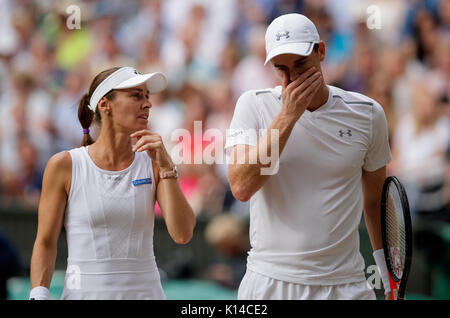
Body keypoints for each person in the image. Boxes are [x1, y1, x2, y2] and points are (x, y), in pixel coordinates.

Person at [226, 14, 392, 300]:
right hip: (270, 283)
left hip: (346, 285)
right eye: (281, 68)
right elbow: (241, 186)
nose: (292, 78)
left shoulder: (368, 114)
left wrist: (388, 276)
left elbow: (376, 203)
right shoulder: (252, 104)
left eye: (301, 64)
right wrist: (288, 116)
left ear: (322, 51)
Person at [29, 66, 196, 300]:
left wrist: (168, 167)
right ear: (105, 104)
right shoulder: (64, 164)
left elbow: (183, 234)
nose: (147, 104)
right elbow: (45, 241)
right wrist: (39, 294)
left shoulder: (155, 161)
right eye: (136, 96)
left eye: (147, 97)